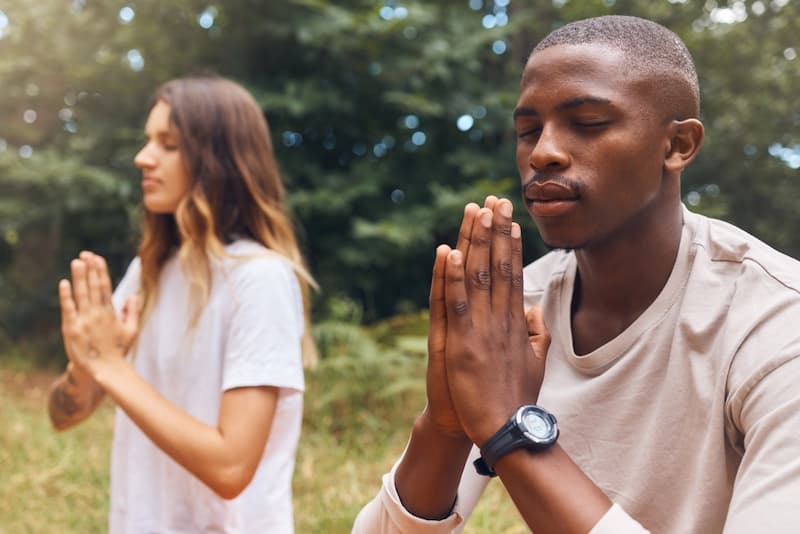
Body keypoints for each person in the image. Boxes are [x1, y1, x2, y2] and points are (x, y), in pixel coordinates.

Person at [353, 15, 800, 534]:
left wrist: (509, 429)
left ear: (677, 146)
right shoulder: (518, 313)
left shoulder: (774, 328)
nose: (542, 152)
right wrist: (446, 425)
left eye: (587, 123)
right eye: (527, 131)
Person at [47, 76, 316, 533]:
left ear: (219, 160)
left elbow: (231, 468)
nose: (142, 157)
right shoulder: (147, 272)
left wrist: (111, 366)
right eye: (148, 140)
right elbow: (62, 417)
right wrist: (83, 366)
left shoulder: (260, 279)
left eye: (167, 144)